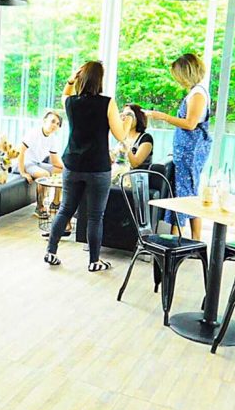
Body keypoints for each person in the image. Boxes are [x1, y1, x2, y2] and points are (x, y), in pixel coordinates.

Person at [44, 61, 126, 272]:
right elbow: (121, 135)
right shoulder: (108, 103)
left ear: (81, 78)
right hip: (98, 167)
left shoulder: (71, 102)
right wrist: (126, 121)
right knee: (95, 216)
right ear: (100, 80)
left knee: (65, 209)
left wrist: (71, 79)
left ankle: (51, 252)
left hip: (72, 165)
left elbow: (65, 94)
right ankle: (94, 261)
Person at [145, 53, 211, 240]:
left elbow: (190, 123)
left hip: (191, 152)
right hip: (186, 151)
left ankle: (187, 239)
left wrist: (163, 116)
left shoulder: (198, 94)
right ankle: (181, 237)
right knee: (184, 193)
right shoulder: (195, 92)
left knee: (187, 195)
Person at [19, 109, 64, 218]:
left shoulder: (53, 138)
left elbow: (55, 161)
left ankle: (55, 203)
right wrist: (22, 172)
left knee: (61, 171)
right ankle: (39, 207)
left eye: (57, 124)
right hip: (27, 162)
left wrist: (68, 168)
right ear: (44, 120)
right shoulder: (34, 133)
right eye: (52, 121)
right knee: (45, 174)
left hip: (38, 164)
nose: (55, 125)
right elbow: (21, 152)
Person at [115, 104, 154, 170]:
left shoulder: (146, 138)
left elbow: (135, 164)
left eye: (129, 115)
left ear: (138, 117)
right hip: (121, 173)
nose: (125, 117)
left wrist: (125, 144)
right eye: (123, 114)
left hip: (138, 175)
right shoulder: (123, 136)